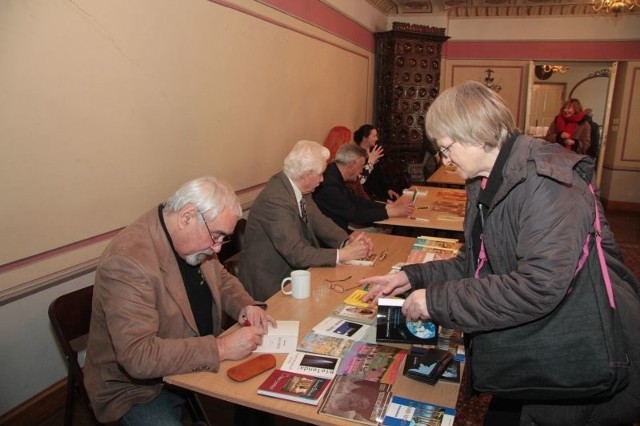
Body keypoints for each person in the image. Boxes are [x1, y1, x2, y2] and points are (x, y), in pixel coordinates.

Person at [361, 81, 640, 425]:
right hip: (534, 346)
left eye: (446, 148)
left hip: (579, 357)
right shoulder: (486, 179)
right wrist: (411, 276)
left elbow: (538, 286)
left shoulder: (548, 183)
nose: (443, 160)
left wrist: (434, 302)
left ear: (479, 135)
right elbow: (476, 262)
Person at [84, 177, 277, 425]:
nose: (217, 249)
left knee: (265, 390)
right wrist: (222, 348)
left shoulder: (191, 237)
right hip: (140, 390)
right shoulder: (128, 262)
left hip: (190, 361)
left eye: (223, 239)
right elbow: (138, 356)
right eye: (216, 236)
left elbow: (221, 277)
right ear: (187, 217)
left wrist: (245, 305)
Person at [239, 140, 373, 301]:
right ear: (307, 175)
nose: (323, 179)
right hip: (270, 284)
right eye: (321, 174)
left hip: (294, 275)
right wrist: (343, 254)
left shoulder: (299, 186)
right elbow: (296, 253)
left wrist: (347, 241)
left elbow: (319, 221)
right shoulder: (276, 199)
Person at [313, 143, 414, 233]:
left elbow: (356, 200)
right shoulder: (329, 183)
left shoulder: (334, 172)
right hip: (334, 235)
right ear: (352, 164)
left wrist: (388, 207)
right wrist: (393, 211)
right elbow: (354, 214)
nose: (361, 171)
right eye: (361, 166)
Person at [322, 125, 372, 200]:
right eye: (344, 140)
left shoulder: (354, 160)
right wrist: (371, 164)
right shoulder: (329, 171)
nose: (347, 143)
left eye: (348, 139)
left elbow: (361, 193)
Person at [354, 124, 401, 201]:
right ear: (365, 138)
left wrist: (388, 189)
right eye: (374, 136)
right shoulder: (355, 154)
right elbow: (360, 181)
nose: (376, 138)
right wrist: (370, 162)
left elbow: (380, 174)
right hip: (366, 196)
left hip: (378, 192)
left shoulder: (374, 151)